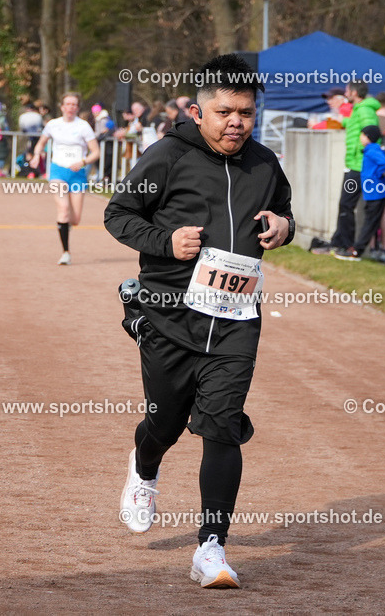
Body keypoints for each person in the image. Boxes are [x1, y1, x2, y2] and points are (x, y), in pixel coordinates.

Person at [105, 54, 293, 590]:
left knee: (222, 426)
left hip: (237, 320)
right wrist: (165, 242)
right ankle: (144, 469)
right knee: (164, 425)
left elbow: (285, 214)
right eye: (224, 111)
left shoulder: (264, 164)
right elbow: (118, 214)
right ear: (197, 111)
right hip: (169, 316)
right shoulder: (166, 157)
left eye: (247, 113)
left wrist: (283, 227)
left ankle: (211, 548)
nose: (236, 122)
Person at [30, 92, 100, 265]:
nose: (70, 107)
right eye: (67, 104)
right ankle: (66, 253)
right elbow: (41, 143)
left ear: (77, 107)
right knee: (63, 209)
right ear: (62, 107)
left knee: (75, 220)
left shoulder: (83, 126)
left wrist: (83, 161)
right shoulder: (53, 125)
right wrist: (37, 155)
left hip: (77, 174)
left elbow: (96, 152)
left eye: (74, 104)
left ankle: (65, 226)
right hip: (58, 172)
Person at [328, 82, 379, 253]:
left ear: (355, 92)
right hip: (353, 163)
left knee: (346, 205)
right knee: (345, 205)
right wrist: (344, 121)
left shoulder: (364, 109)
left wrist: (363, 151)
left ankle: (346, 244)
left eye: (348, 90)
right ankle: (340, 241)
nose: (345, 92)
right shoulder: (358, 109)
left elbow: (372, 132)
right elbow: (357, 126)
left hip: (359, 165)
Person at [334, 125, 385, 261]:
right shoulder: (370, 150)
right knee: (370, 221)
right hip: (372, 192)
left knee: (370, 222)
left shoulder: (372, 150)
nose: (361, 137)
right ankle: (357, 249)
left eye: (363, 135)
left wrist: (376, 174)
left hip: (376, 192)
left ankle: (356, 251)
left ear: (368, 137)